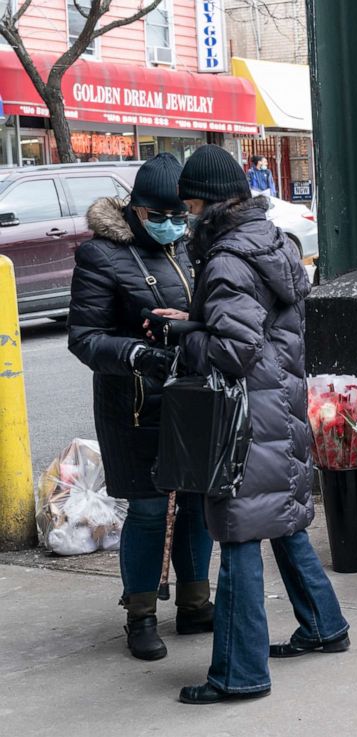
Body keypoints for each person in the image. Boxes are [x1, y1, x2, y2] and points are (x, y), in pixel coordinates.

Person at [148, 144, 349, 705]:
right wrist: (198, 319)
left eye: (188, 204)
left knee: (239, 532)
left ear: (208, 204)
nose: (185, 215)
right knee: (281, 519)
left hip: (245, 418)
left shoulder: (225, 259)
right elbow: (255, 323)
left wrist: (186, 335)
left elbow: (234, 348)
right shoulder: (270, 242)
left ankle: (239, 674)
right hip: (277, 406)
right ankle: (324, 626)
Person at [67, 153, 214, 661]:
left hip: (192, 397)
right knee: (150, 510)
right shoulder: (100, 256)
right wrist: (136, 353)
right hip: (133, 402)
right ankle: (141, 614)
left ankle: (197, 603)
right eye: (159, 216)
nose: (172, 224)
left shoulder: (193, 246)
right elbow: (84, 339)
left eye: (180, 214)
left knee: (196, 502)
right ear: (135, 210)